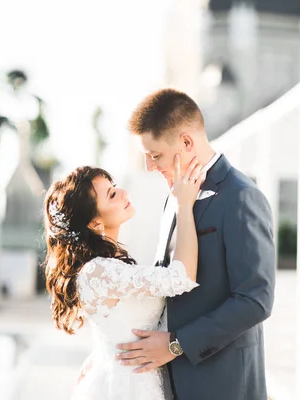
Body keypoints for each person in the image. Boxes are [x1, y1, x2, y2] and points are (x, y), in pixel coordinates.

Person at [117, 88, 276, 400]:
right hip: (172, 384)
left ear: (187, 142)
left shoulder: (241, 197)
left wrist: (176, 344)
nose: (150, 166)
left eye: (155, 155)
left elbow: (255, 299)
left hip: (225, 384)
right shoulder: (174, 198)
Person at [41, 158, 205, 400]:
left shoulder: (107, 264)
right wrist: (184, 204)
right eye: (111, 194)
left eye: (115, 186)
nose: (123, 193)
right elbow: (181, 277)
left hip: (131, 376)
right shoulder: (98, 271)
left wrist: (100, 354)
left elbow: (113, 324)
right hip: (129, 386)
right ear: (94, 222)